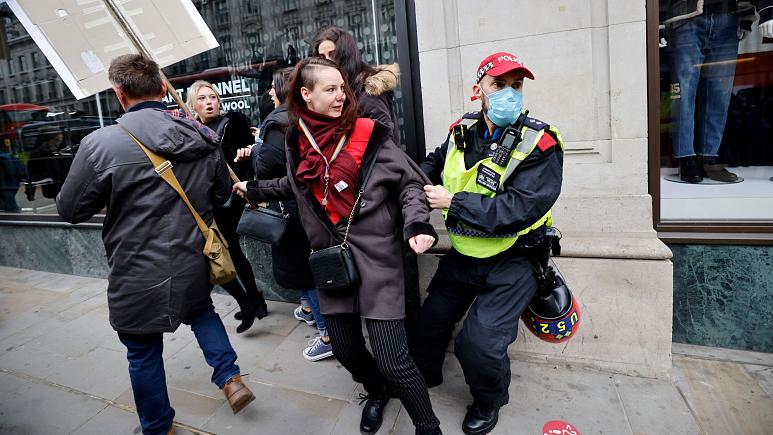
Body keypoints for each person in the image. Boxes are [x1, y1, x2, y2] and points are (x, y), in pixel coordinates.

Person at [233, 57, 442, 435]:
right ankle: (376, 391)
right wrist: (254, 189)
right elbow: (296, 185)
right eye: (330, 89)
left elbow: (410, 183)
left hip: (378, 259)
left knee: (395, 360)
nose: (341, 96)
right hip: (333, 261)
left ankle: (429, 427)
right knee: (346, 350)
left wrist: (417, 222)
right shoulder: (298, 140)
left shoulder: (369, 133)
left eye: (343, 88)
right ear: (305, 94)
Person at [56, 54, 255, 435]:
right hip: (193, 256)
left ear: (119, 94)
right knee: (202, 311)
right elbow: (217, 194)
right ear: (164, 88)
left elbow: (70, 209)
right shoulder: (202, 135)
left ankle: (159, 427)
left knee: (143, 351)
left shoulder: (101, 144)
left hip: (136, 269)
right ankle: (230, 378)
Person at [410, 52, 564, 435]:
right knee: (429, 326)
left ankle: (489, 399)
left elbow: (520, 208)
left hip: (516, 258)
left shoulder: (540, 142)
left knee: (477, 345)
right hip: (465, 254)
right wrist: (408, 187)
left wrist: (452, 201)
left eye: (516, 86)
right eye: (499, 85)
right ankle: (424, 379)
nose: (509, 93)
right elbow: (429, 166)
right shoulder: (460, 130)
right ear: (477, 90)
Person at [311, 25, 423, 347]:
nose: (327, 60)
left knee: (395, 297)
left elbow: (383, 152)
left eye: (332, 54)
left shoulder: (365, 93)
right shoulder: (339, 93)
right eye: (321, 57)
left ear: (346, 51)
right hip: (353, 209)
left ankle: (408, 357)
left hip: (380, 206)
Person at [236, 67, 333, 361]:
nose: (268, 92)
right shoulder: (306, 119)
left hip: (293, 208)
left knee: (305, 271)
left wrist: (257, 154)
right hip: (312, 207)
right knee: (304, 266)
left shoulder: (277, 122)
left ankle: (327, 334)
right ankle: (307, 309)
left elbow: (271, 167)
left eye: (272, 86)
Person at [187, 80, 268, 333]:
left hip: (232, 197)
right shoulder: (192, 129)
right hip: (209, 200)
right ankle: (255, 301)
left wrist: (244, 154)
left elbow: (250, 156)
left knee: (231, 251)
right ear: (192, 104)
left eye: (212, 97)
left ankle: (251, 302)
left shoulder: (233, 121)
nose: (208, 102)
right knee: (230, 251)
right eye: (201, 99)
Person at [661, 0, 773, 183]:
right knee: (683, 92)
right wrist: (658, 22)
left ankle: (709, 157)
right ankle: (685, 157)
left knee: (719, 93)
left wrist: (750, 16)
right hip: (685, 16)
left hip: (728, 14)